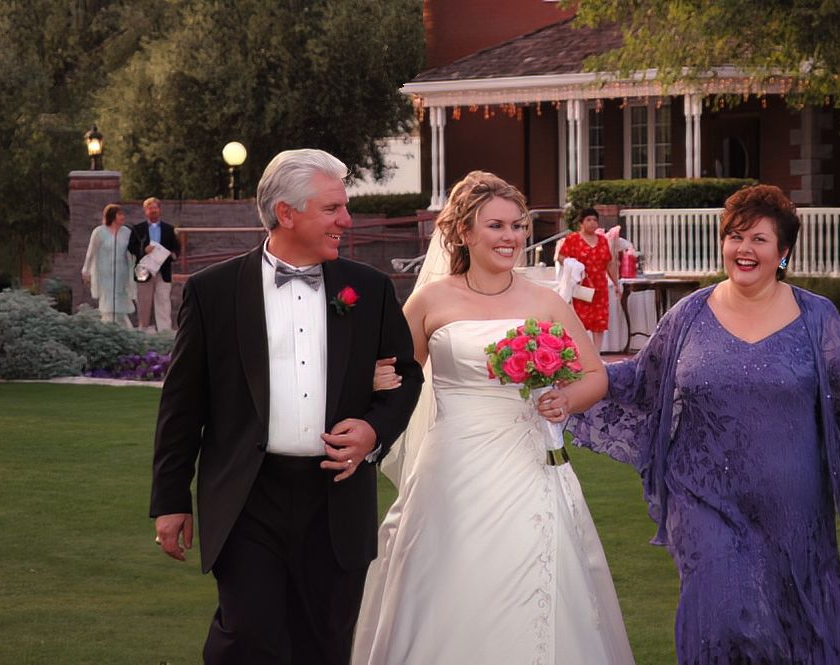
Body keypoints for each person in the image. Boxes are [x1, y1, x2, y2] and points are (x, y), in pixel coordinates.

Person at [569, 185, 840, 664]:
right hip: (701, 497)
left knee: (795, 625)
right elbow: (639, 378)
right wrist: (564, 375)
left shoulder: (817, 318)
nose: (744, 249)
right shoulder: (688, 314)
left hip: (794, 506)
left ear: (783, 252)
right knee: (718, 616)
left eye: (759, 240)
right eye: (735, 237)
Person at [149, 148, 423, 665]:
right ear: (287, 213)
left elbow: (405, 379)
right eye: (332, 208)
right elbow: (182, 404)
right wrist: (170, 498)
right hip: (247, 496)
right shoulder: (214, 291)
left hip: (337, 496)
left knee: (324, 642)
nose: (346, 219)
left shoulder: (368, 288)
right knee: (247, 639)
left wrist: (373, 431)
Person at [352, 171, 635, 665]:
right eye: (497, 226)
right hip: (452, 467)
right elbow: (400, 379)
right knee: (451, 576)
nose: (511, 238)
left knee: (532, 572)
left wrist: (565, 400)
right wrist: (372, 384)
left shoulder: (545, 300)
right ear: (464, 232)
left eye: (518, 226)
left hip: (530, 465)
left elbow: (595, 374)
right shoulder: (430, 301)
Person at [556, 207, 621, 348]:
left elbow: (609, 263)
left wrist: (616, 283)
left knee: (599, 322)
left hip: (600, 287)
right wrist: (573, 265)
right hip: (581, 286)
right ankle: (581, 353)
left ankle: (597, 353)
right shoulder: (572, 239)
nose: (592, 223)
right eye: (588, 220)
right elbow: (560, 257)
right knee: (580, 321)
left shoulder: (603, 241)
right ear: (581, 223)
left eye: (595, 220)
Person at [128, 197, 179, 333]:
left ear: (159, 210)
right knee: (143, 302)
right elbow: (131, 247)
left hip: (163, 270)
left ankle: (165, 331)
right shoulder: (138, 229)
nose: (153, 211)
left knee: (163, 301)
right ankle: (143, 330)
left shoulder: (169, 229)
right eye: (150, 208)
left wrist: (173, 255)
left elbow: (176, 248)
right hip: (143, 270)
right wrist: (143, 249)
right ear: (145, 211)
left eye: (155, 208)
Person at [81, 203, 136, 327]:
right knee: (108, 301)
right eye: (120, 214)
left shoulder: (126, 232)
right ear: (112, 216)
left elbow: (133, 251)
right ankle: (107, 326)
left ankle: (124, 328)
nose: (123, 217)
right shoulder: (99, 232)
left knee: (121, 299)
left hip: (122, 272)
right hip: (105, 272)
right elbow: (91, 252)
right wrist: (86, 270)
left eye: (123, 214)